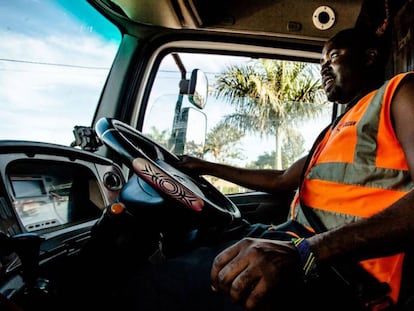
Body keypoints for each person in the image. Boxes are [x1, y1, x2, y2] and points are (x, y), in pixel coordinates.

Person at [81, 27, 414, 311]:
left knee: (144, 293)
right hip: (297, 243)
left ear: (369, 57)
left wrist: (304, 251)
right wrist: (205, 166)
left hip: (346, 274)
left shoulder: (400, 93)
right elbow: (283, 179)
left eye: (334, 57)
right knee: (184, 255)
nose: (323, 69)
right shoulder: (334, 130)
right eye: (321, 63)